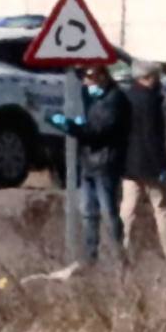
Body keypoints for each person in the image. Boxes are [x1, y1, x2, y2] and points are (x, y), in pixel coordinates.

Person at [51, 65, 131, 265]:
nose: (86, 84)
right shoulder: (94, 99)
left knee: (108, 212)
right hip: (89, 162)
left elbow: (99, 131)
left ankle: (119, 257)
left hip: (105, 163)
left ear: (102, 77)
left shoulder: (115, 100)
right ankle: (90, 256)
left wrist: (71, 127)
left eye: (90, 79)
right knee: (88, 212)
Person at [120, 60, 166, 263]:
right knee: (161, 209)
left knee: (128, 210)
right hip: (150, 165)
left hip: (129, 163)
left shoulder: (126, 98)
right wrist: (163, 165)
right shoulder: (152, 101)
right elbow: (153, 137)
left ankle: (122, 252)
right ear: (148, 77)